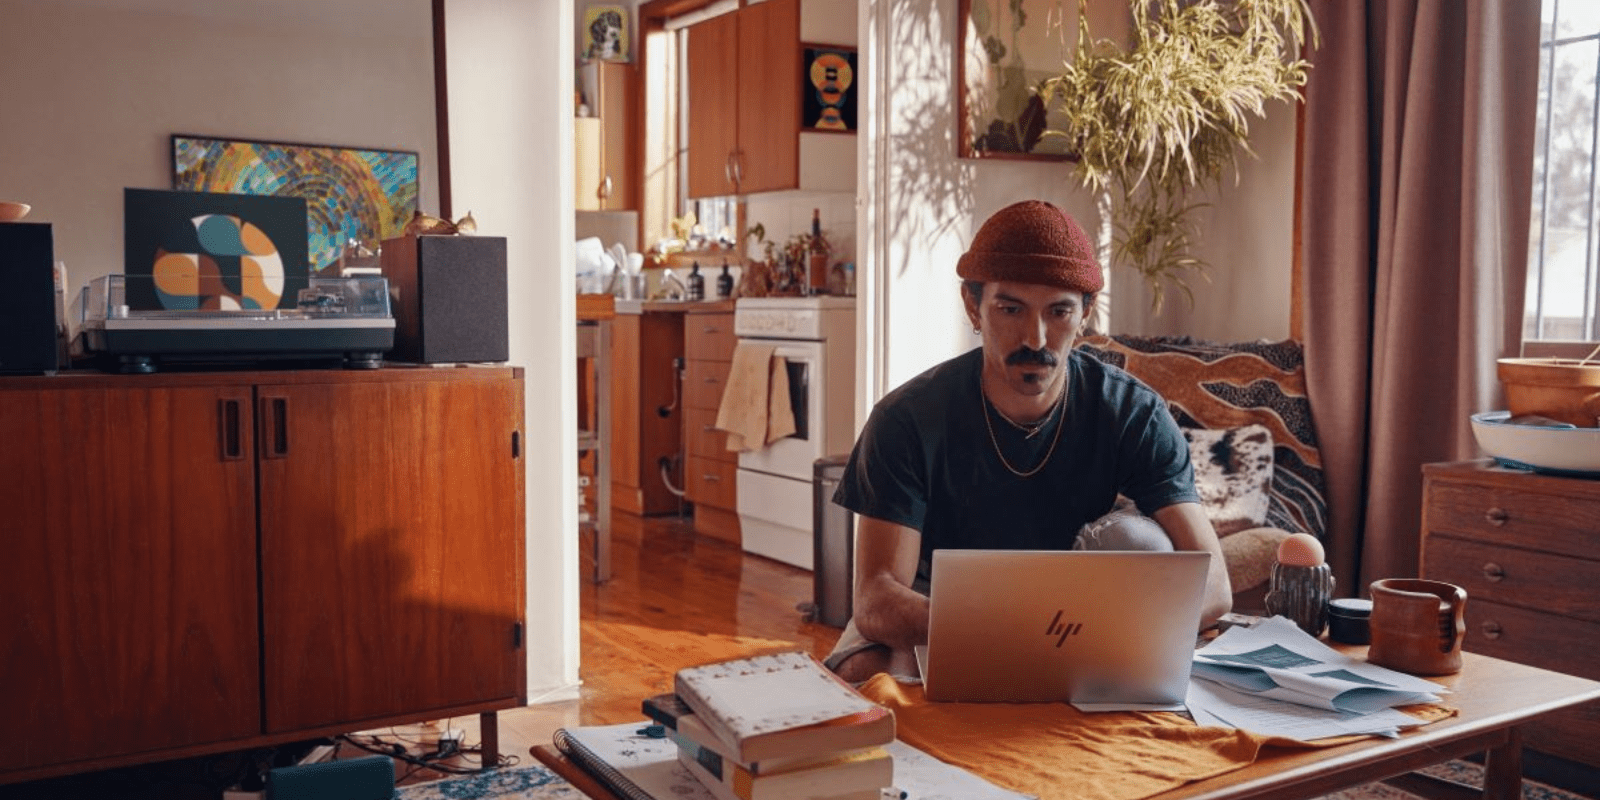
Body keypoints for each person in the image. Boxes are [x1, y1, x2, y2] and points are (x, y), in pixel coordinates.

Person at [824, 200, 1233, 683]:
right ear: (973, 306)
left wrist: (1088, 633)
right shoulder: (905, 419)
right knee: (862, 673)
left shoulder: (1132, 412)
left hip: (1078, 611)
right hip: (941, 608)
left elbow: (1214, 586)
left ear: (1085, 314)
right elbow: (876, 599)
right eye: (1011, 308)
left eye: (1059, 311)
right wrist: (1012, 633)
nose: (1035, 338)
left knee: (1142, 542)